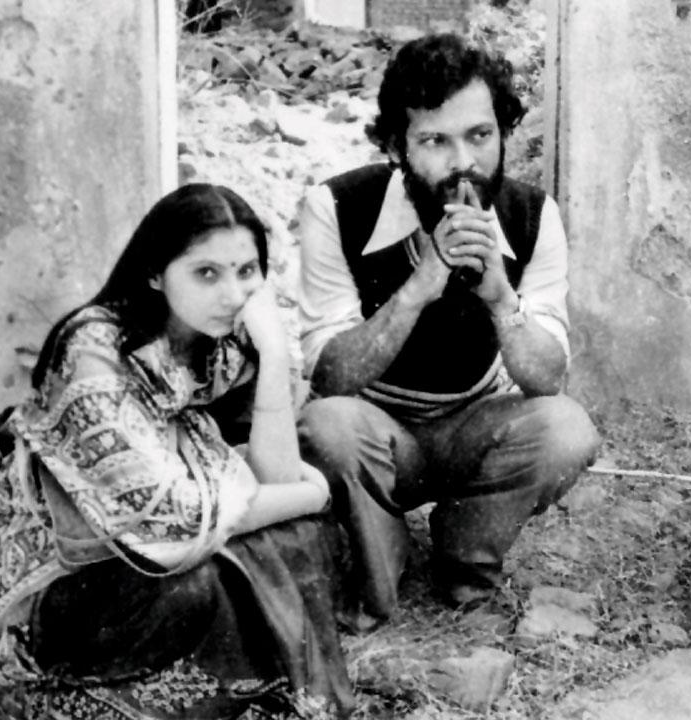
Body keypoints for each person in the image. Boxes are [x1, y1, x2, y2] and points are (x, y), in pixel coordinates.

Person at [0, 184, 355, 719]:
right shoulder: (94, 352)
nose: (233, 295)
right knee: (196, 584)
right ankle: (86, 692)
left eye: (246, 272)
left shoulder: (222, 340)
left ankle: (206, 687)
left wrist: (276, 354)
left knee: (300, 539)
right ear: (154, 273)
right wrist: (309, 493)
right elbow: (170, 520)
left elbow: (273, 472)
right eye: (206, 273)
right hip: (72, 583)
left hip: (155, 554)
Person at [294, 33, 600, 618]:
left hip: (473, 428)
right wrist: (419, 287)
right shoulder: (335, 208)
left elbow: (547, 379)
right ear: (396, 146)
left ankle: (466, 554)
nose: (463, 162)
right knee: (324, 427)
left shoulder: (535, 216)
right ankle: (385, 553)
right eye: (435, 140)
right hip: (376, 430)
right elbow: (331, 376)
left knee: (566, 431)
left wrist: (501, 299)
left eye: (480, 136)